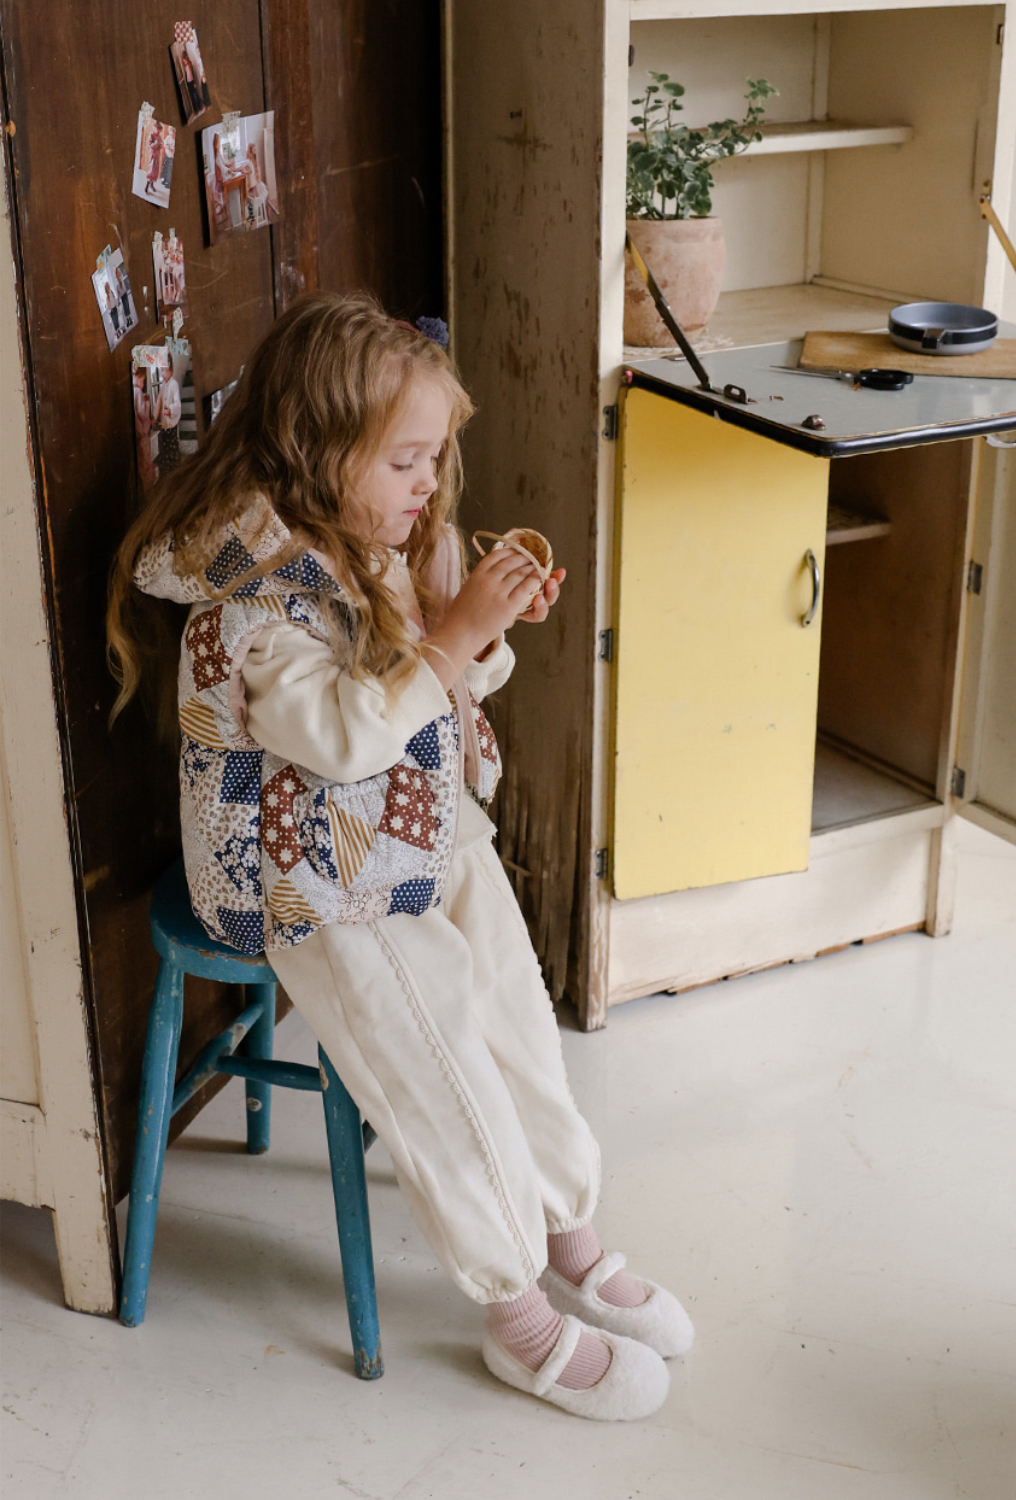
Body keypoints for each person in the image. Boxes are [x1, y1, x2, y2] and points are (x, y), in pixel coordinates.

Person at [107, 293, 692, 1421]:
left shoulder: (358, 538)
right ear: (316, 451)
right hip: (301, 878)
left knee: (512, 1005)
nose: (429, 482)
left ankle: (566, 1228)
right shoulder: (252, 603)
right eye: (407, 460)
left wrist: (470, 619)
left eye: (433, 457)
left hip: (400, 822)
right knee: (439, 1059)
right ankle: (517, 1316)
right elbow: (339, 737)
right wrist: (450, 634)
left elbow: (420, 683)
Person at [152, 359, 182, 478]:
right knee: (164, 449)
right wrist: (154, 417)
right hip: (164, 425)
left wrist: (170, 410)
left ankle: (175, 472)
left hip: (171, 425)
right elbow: (158, 402)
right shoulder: (163, 386)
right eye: (161, 371)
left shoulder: (174, 384)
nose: (162, 374)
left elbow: (177, 404)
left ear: (170, 370)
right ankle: (166, 473)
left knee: (172, 449)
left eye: (164, 371)